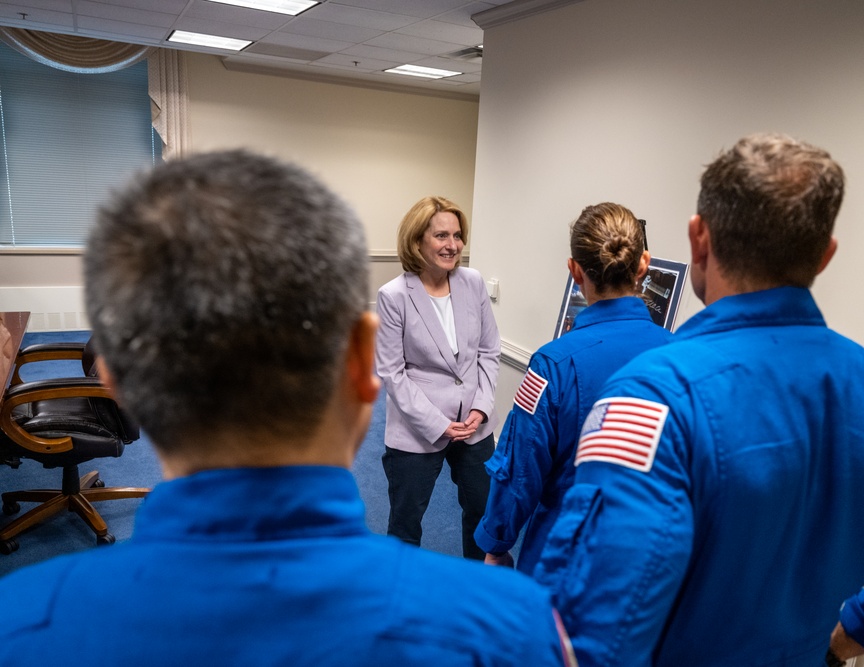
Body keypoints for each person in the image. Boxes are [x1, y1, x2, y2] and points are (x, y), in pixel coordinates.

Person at [0, 151, 574, 667]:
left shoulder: (17, 628)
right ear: (358, 368)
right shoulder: (517, 630)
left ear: (116, 381)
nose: (450, 245)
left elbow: (482, 351)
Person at [534, 133, 864, 666]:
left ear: (698, 238)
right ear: (824, 256)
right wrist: (843, 643)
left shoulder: (651, 399)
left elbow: (597, 630)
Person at [474, 202, 671, 573]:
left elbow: (520, 468)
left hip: (566, 557)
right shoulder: (683, 357)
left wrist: (496, 544)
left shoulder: (553, 365)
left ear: (574, 271)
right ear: (644, 264)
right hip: (652, 562)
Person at [376, 196, 499, 560]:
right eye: (441, 235)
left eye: (458, 235)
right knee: (405, 524)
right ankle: (400, 600)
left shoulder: (472, 282)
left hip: (474, 424)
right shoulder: (394, 295)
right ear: (417, 241)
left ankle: (474, 590)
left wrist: (481, 407)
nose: (453, 245)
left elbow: (489, 351)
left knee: (482, 513)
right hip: (418, 426)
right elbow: (392, 373)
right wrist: (438, 423)